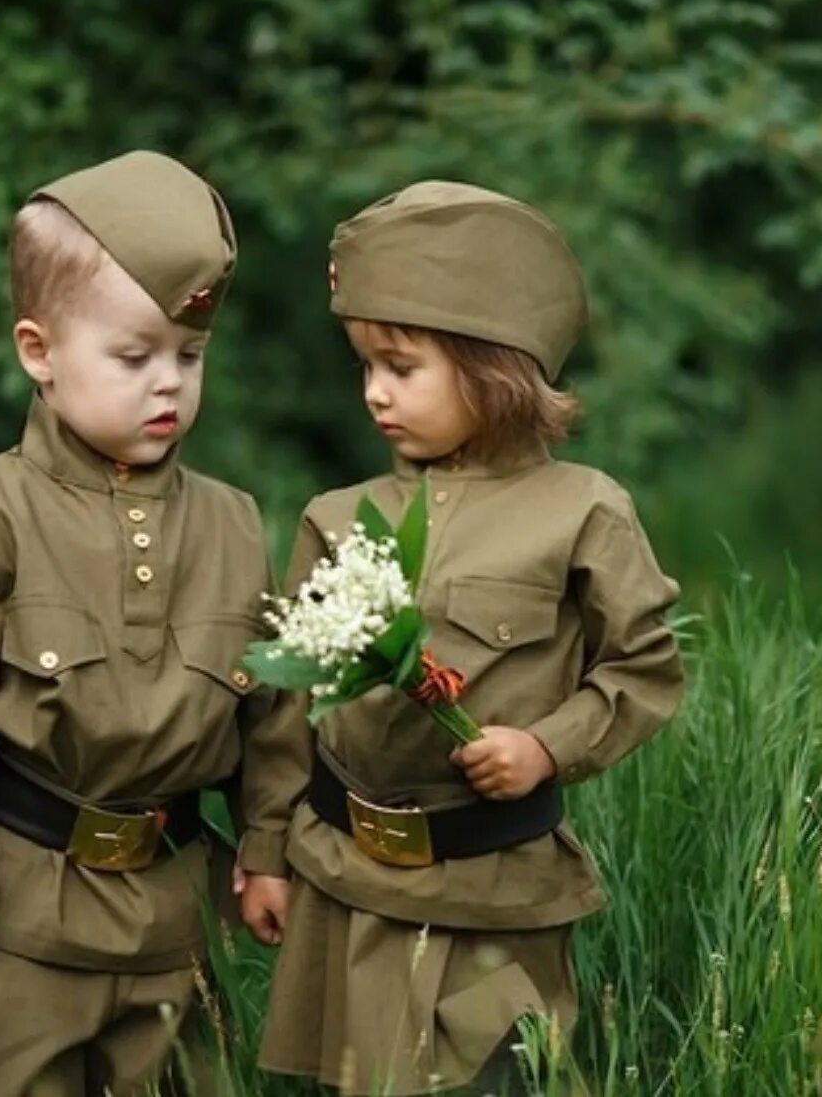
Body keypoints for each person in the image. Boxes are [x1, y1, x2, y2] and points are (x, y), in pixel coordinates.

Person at [236, 180, 686, 1094]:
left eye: (401, 367)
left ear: (492, 366)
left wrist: (543, 747)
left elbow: (643, 668)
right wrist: (265, 854)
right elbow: (289, 710)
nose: (374, 392)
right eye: (364, 366)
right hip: (344, 886)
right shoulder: (340, 517)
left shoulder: (581, 510)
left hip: (492, 895)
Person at [0, 150, 282, 1096]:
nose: (167, 384)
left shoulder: (232, 522)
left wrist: (265, 851)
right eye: (133, 357)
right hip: (17, 905)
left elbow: (270, 719)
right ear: (38, 350)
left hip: (169, 917)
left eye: (189, 356)